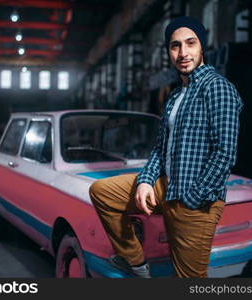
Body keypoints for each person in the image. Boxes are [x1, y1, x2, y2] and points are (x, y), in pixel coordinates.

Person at [89, 16, 244, 278]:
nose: (183, 52)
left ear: (202, 47)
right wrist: (146, 181)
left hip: (195, 199)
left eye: (190, 43)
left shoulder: (217, 88)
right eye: (175, 46)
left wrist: (191, 199)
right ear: (169, 52)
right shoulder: (174, 96)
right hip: (167, 185)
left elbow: (225, 153)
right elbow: (161, 149)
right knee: (103, 191)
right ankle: (137, 263)